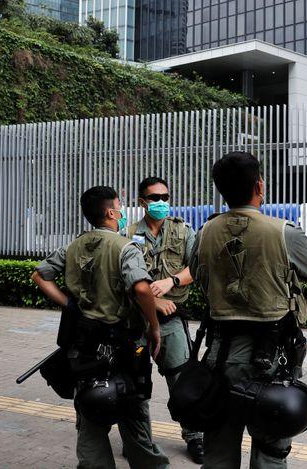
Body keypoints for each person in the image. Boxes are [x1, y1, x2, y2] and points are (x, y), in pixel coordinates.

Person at [190, 152, 307, 469]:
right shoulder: (284, 232)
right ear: (259, 185)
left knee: (219, 453)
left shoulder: (204, 233)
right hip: (272, 360)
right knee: (271, 453)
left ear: (220, 189)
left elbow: (195, 271)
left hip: (220, 356)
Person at [31, 186, 169, 469]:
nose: (122, 211)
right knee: (134, 417)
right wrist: (154, 326)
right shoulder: (125, 247)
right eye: (119, 206)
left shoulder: (74, 246)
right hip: (124, 346)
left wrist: (71, 305)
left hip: (84, 347)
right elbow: (142, 289)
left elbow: (39, 275)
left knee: (91, 415)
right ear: (110, 212)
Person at [123, 176, 204, 463]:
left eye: (165, 197)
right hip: (137, 322)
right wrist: (153, 300)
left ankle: (195, 437)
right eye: (154, 198)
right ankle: (139, 441)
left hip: (172, 322)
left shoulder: (182, 231)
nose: (161, 203)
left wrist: (172, 281)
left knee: (183, 380)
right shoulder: (127, 234)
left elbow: (198, 267)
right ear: (142, 202)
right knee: (136, 385)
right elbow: (121, 279)